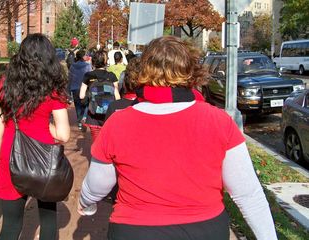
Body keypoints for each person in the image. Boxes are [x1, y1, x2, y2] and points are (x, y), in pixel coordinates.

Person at [78, 36, 277, 240]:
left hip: (135, 229)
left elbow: (97, 184)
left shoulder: (118, 123)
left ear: (143, 72)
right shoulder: (219, 121)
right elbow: (248, 194)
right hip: (204, 230)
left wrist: (86, 202)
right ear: (191, 71)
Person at [0, 33, 70, 240]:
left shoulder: (4, 84)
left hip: (10, 156)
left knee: (10, 225)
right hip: (44, 159)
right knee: (48, 221)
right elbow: (63, 135)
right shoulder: (54, 90)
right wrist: (46, 125)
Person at [79, 51, 120, 142]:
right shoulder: (112, 76)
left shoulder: (88, 75)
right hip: (109, 115)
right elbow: (117, 98)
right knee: (108, 142)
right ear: (106, 62)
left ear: (93, 62)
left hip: (93, 116)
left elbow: (81, 96)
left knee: (97, 142)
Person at [68, 49, 92, 130]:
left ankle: (79, 122)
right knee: (85, 104)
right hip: (84, 88)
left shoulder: (72, 66)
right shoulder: (88, 66)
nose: (86, 56)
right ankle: (84, 117)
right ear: (82, 57)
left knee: (78, 106)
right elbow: (90, 78)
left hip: (74, 88)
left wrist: (68, 90)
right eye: (85, 55)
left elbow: (70, 79)